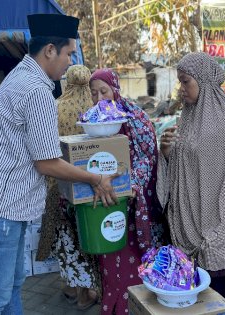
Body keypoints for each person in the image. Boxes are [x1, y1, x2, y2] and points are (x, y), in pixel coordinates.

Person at [0, 14, 117, 314]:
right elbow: (46, 163)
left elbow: (42, 148)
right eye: (69, 53)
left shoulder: (22, 77)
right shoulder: (37, 91)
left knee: (10, 288)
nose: (70, 62)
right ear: (50, 51)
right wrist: (93, 178)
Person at [157, 52, 225, 314]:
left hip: (220, 234)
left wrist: (218, 234)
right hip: (188, 232)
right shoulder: (188, 118)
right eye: (180, 82)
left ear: (204, 81)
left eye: (186, 81)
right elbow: (184, 168)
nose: (181, 90)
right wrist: (167, 154)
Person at [89, 68, 167, 315]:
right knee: (110, 265)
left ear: (115, 89)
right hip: (107, 203)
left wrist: (131, 185)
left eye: (104, 91)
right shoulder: (90, 122)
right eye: (94, 93)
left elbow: (147, 157)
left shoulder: (135, 117)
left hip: (136, 208)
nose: (100, 99)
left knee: (135, 266)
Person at [35, 64, 100, 311]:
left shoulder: (54, 107)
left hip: (59, 184)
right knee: (87, 236)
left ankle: (73, 288)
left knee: (67, 239)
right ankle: (89, 290)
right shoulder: (97, 110)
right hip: (90, 184)